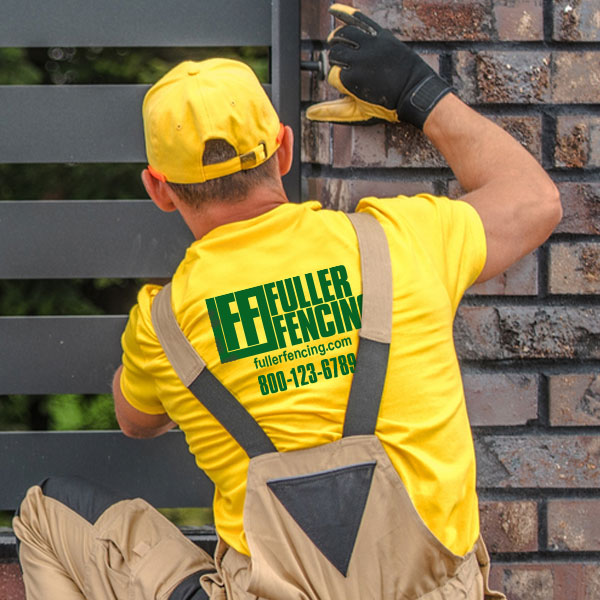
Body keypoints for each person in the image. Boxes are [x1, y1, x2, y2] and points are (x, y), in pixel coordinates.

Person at [13, 4, 561, 599]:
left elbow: (134, 418)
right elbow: (535, 201)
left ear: (158, 189)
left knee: (44, 514)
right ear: (284, 149)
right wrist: (417, 90)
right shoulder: (400, 244)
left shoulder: (165, 324)